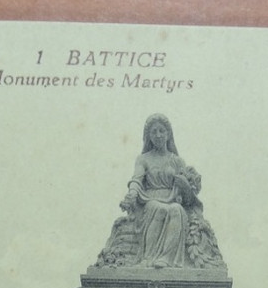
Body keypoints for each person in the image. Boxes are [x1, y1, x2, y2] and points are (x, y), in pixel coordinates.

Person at [96, 115, 225, 270]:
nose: (158, 135)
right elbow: (136, 180)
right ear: (148, 137)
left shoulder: (177, 161)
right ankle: (148, 259)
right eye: (153, 132)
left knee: (177, 210)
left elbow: (188, 196)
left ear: (168, 134)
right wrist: (132, 195)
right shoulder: (143, 159)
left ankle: (166, 258)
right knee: (159, 209)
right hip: (149, 200)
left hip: (172, 199)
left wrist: (184, 185)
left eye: (161, 131)